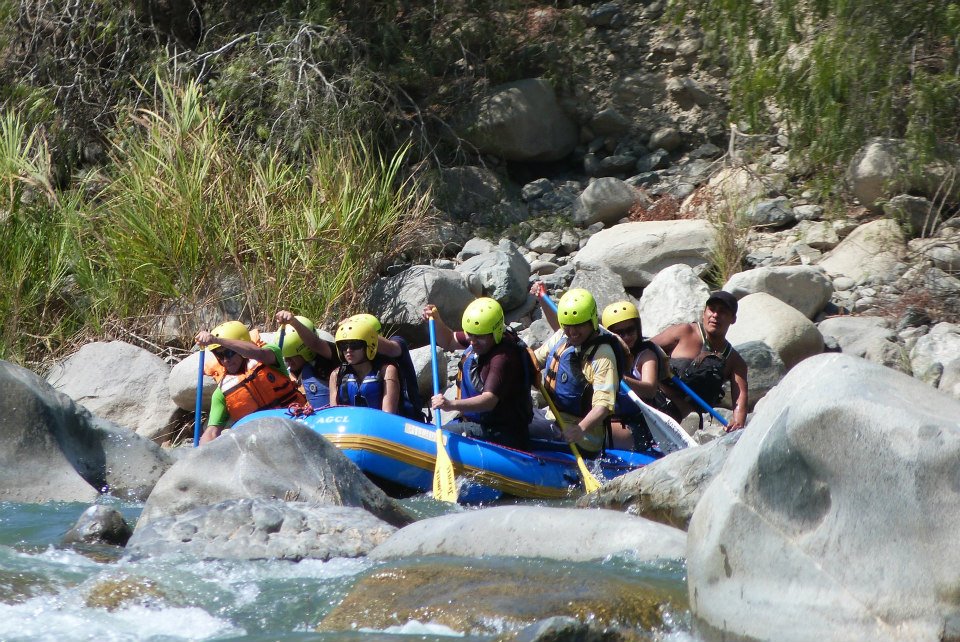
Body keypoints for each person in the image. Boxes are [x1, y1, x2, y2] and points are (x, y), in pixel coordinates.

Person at [422, 297, 533, 450]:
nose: (473, 341)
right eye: (470, 335)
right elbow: (448, 341)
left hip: (501, 432)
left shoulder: (502, 358)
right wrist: (436, 320)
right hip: (475, 421)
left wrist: (450, 405)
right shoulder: (481, 335)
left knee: (436, 439)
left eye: (479, 336)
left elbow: (489, 400)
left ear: (496, 332)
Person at [529, 287, 623, 457]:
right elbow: (533, 361)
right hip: (552, 417)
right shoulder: (563, 337)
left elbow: (603, 406)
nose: (572, 332)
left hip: (581, 436)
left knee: (516, 427)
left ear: (592, 322)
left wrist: (580, 429)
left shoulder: (603, 356)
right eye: (567, 326)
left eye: (578, 326)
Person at [194, 320, 306, 445]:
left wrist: (217, 340)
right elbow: (212, 432)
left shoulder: (269, 356)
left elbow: (258, 353)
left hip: (296, 422)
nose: (225, 360)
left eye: (229, 352)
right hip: (261, 442)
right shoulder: (221, 392)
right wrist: (199, 454)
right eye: (219, 355)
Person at [651, 291, 749, 431]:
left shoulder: (735, 362)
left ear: (733, 319)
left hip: (680, 419)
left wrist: (737, 423)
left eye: (722, 311)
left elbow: (740, 397)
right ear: (704, 313)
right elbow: (643, 350)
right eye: (712, 309)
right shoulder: (683, 332)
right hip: (651, 400)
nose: (715, 315)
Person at [601, 300, 669, 451]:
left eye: (630, 330)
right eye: (620, 333)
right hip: (608, 419)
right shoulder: (603, 355)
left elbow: (650, 389)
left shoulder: (646, 355)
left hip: (637, 426)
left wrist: (620, 378)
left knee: (591, 433)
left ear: (638, 329)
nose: (626, 336)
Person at [328, 315, 403, 415]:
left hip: (378, 427)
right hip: (349, 428)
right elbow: (335, 414)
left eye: (355, 344)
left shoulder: (387, 371)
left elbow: (388, 415)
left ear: (368, 346)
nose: (348, 350)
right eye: (343, 345)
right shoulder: (336, 374)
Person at [274, 311, 340, 408]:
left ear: (306, 350)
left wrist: (293, 322)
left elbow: (314, 343)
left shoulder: (327, 361)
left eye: (292, 356)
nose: (287, 360)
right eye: (285, 357)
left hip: (327, 418)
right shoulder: (286, 374)